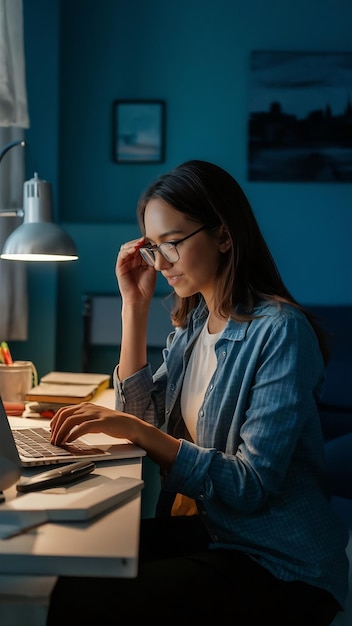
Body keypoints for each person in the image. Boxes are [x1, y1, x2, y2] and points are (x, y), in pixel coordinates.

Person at [47, 160, 348, 626]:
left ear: (224, 236)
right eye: (153, 248)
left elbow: (250, 485)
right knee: (76, 567)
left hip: (280, 562)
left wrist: (138, 430)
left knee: (90, 600)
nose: (161, 263)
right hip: (216, 531)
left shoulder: (281, 333)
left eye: (172, 244)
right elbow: (141, 418)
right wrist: (135, 308)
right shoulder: (193, 328)